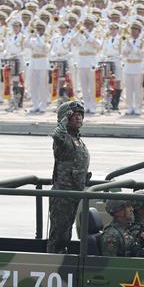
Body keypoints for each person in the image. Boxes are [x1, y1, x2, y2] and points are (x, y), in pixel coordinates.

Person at [47, 102, 90, 254]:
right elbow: (57, 135)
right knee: (58, 235)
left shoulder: (77, 139)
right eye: (74, 115)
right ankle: (52, 262)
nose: (78, 117)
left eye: (80, 114)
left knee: (66, 233)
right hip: (63, 195)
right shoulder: (64, 140)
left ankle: (61, 256)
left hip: (73, 194)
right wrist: (64, 119)